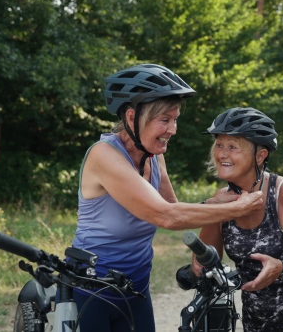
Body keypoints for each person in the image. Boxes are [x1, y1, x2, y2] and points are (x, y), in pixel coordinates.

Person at [68, 64, 263, 332]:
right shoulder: (104, 155)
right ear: (131, 116)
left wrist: (215, 204)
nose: (173, 129)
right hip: (92, 289)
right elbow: (166, 217)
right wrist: (238, 208)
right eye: (164, 120)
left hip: (136, 286)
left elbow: (172, 207)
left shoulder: (154, 155)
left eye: (175, 119)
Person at [191, 107, 283, 332]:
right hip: (256, 322)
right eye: (219, 145)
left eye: (233, 147)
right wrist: (215, 211)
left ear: (260, 156)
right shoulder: (220, 200)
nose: (222, 154)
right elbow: (205, 260)